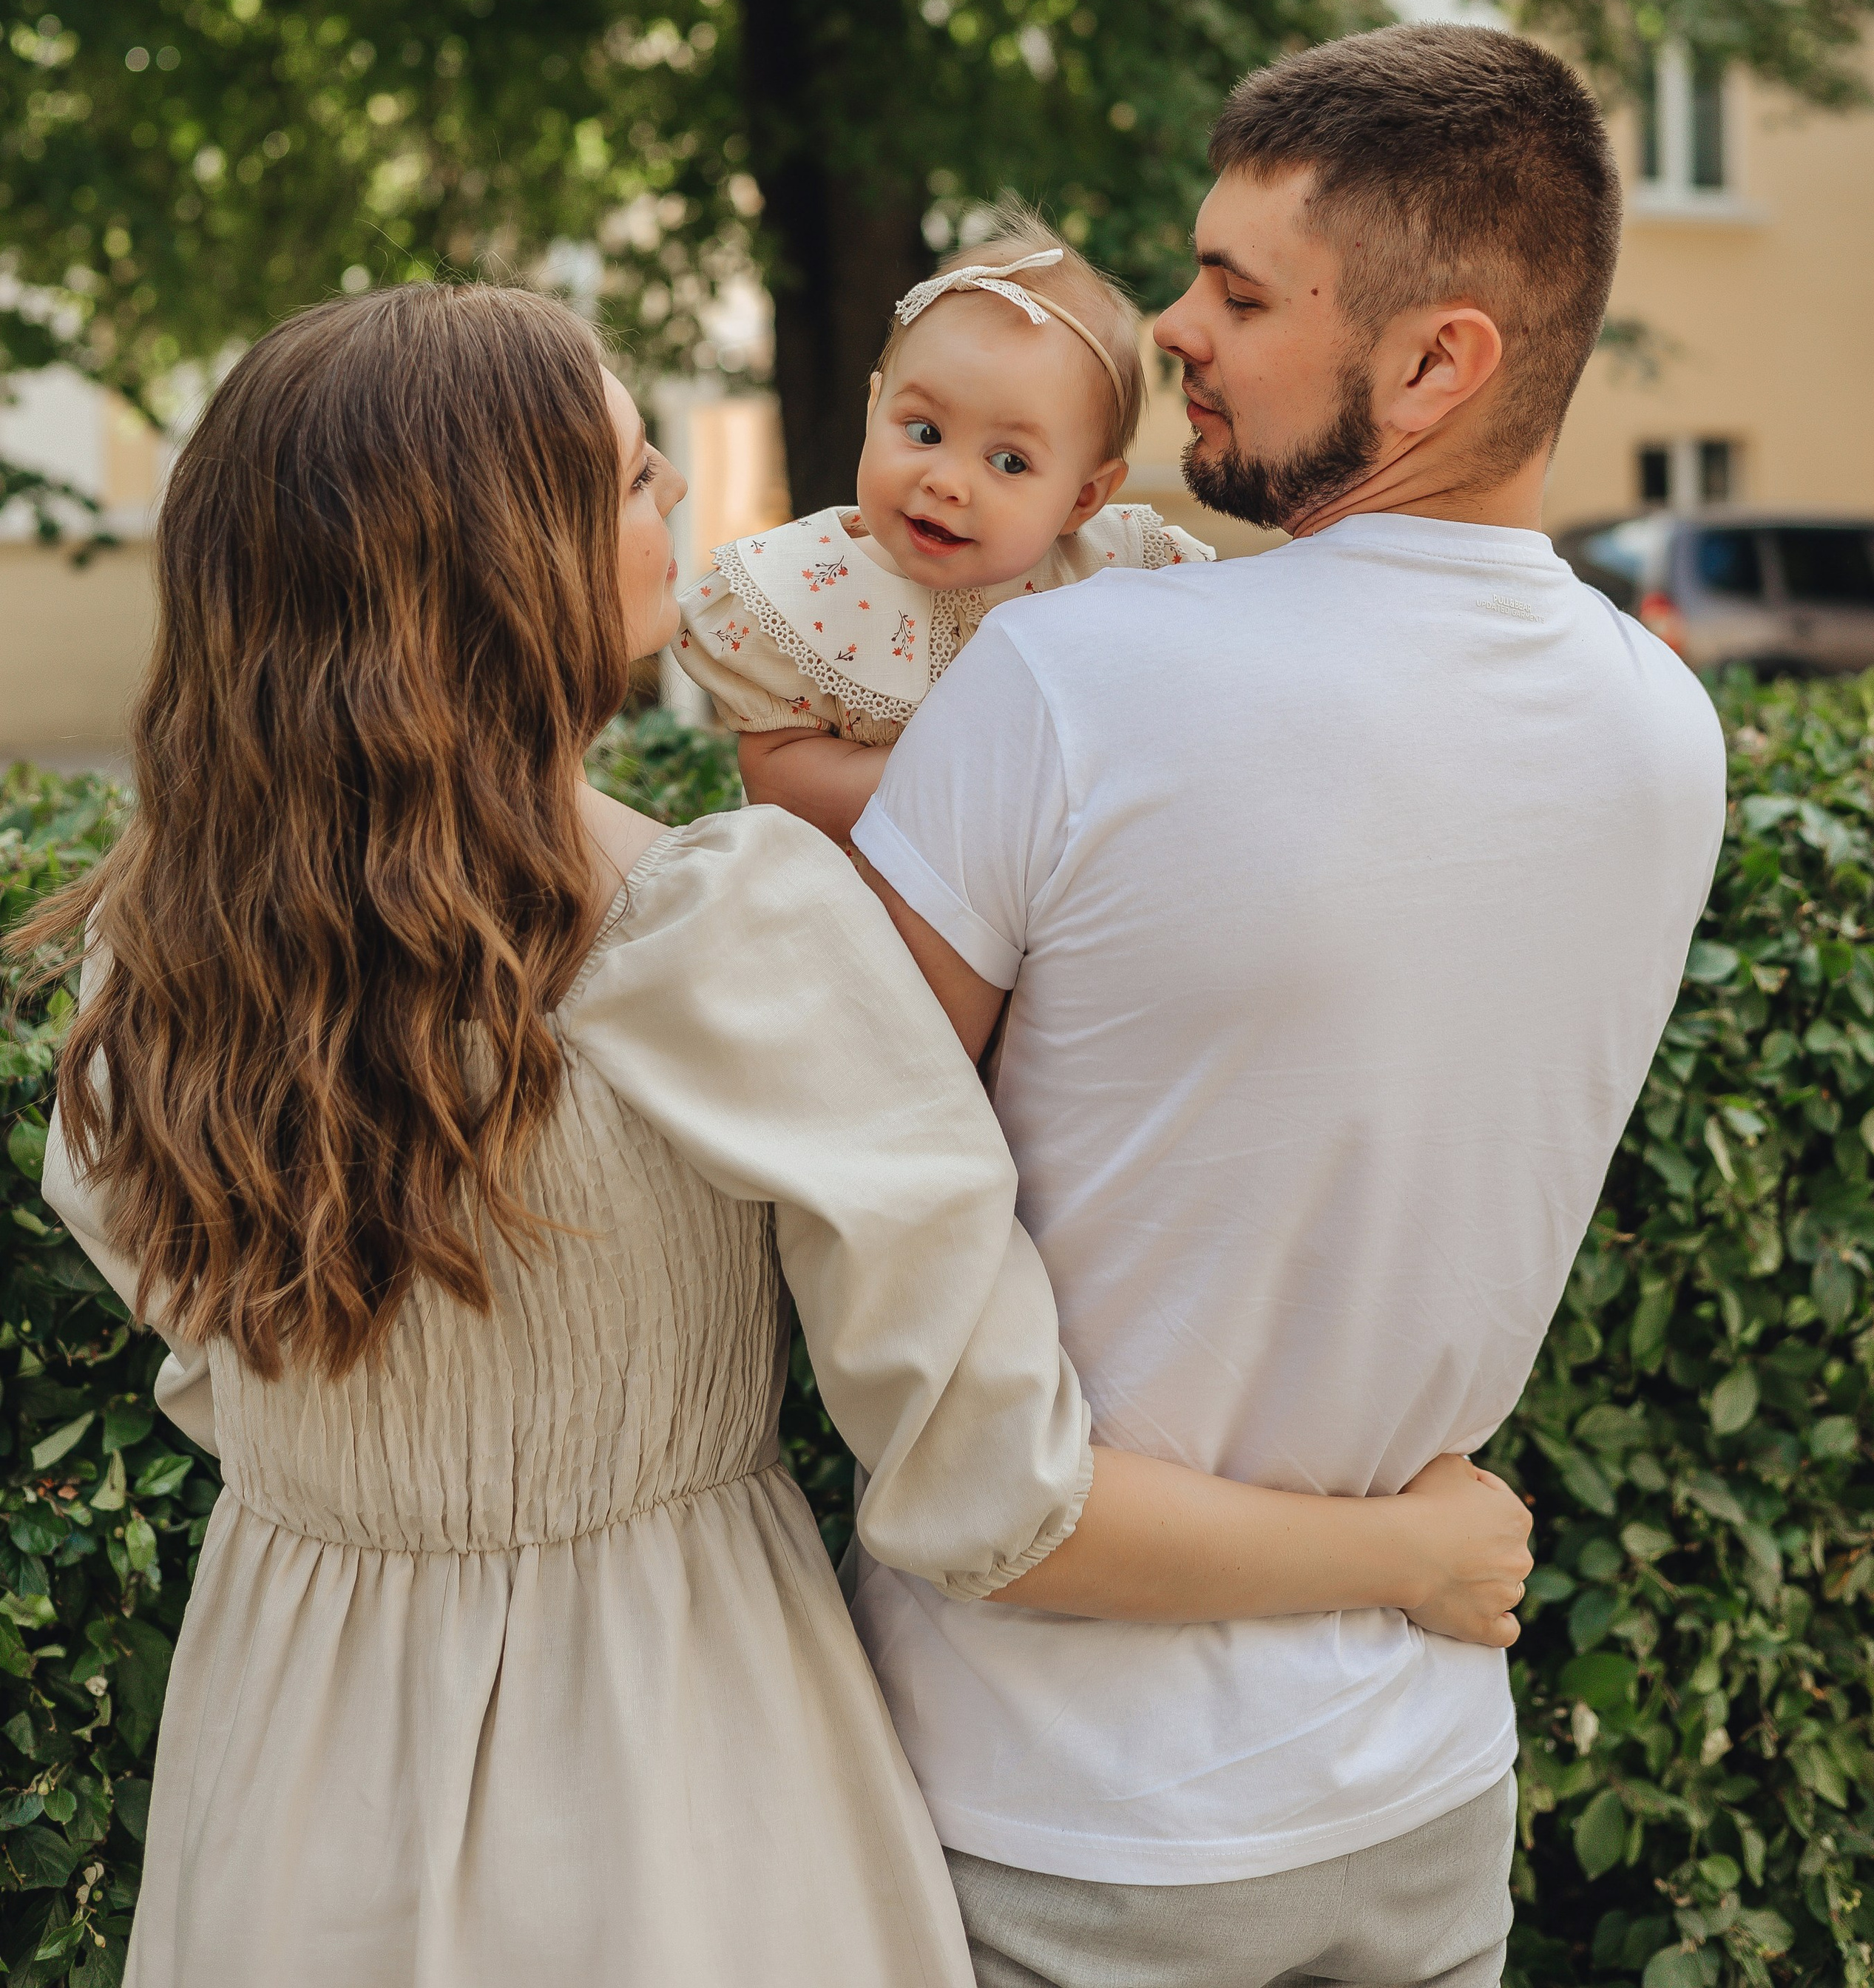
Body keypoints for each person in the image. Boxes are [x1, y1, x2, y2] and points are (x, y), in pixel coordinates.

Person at [27, 281, 1531, 1988]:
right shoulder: (719, 929)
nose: (675, 495)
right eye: (627, 471)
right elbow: (997, 1493)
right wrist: (1413, 1548)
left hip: (290, 1754)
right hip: (671, 1765)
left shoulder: (148, 973)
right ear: (498, 560)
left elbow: (211, 1372)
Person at [850, 24, 1731, 1988]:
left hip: (1053, 1808)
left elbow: (836, 1188)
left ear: (1438, 363)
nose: (1169, 328)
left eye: (1240, 296)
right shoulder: (1669, 736)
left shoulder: (1074, 684)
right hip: (1420, 1795)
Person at [674, 203, 1211, 847]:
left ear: (1083, 499)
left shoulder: (1111, 577)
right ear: (875, 408)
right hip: (871, 912)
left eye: (1009, 462)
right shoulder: (805, 592)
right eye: (924, 431)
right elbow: (780, 781)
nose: (948, 482)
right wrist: (985, 788)